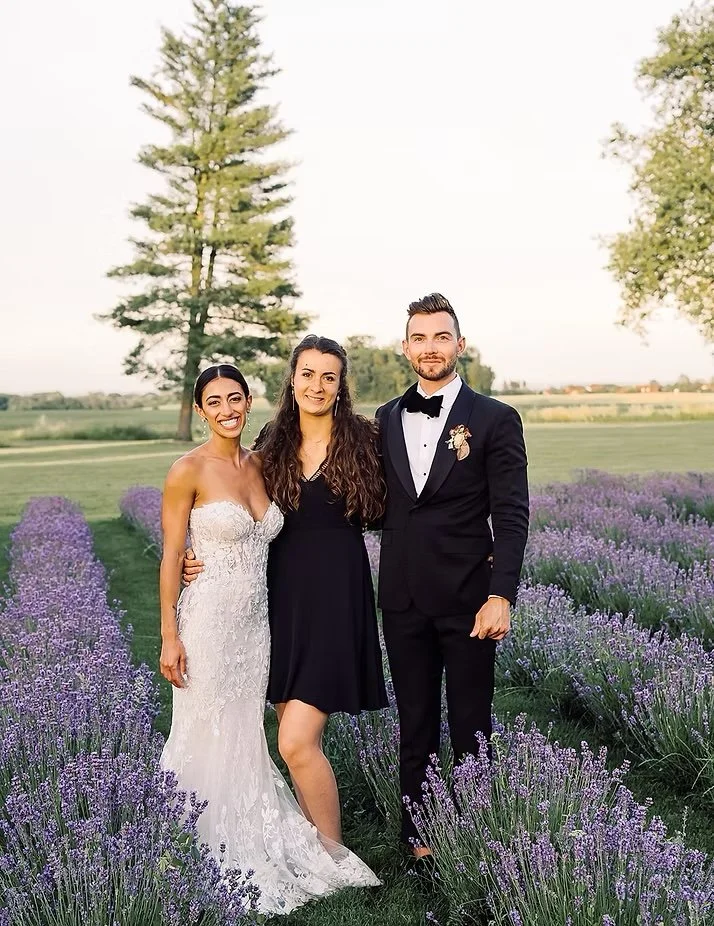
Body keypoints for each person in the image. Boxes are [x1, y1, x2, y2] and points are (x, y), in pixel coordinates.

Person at [158, 363, 380, 916]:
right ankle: (197, 843)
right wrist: (169, 633)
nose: (228, 409)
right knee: (208, 730)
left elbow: (292, 529)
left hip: (261, 626)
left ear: (250, 400)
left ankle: (311, 843)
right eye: (215, 402)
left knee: (256, 738)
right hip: (208, 622)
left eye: (236, 398)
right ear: (201, 409)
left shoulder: (264, 461)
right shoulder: (186, 470)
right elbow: (170, 555)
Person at [375, 293, 529, 856]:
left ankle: (477, 838)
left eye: (442, 337)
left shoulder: (494, 418)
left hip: (469, 600)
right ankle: (419, 841)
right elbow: (366, 501)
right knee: (413, 722)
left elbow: (512, 515)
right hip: (402, 599)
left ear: (459, 345)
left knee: (472, 725)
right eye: (420, 338)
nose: (430, 348)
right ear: (405, 348)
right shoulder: (386, 417)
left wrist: (501, 595)